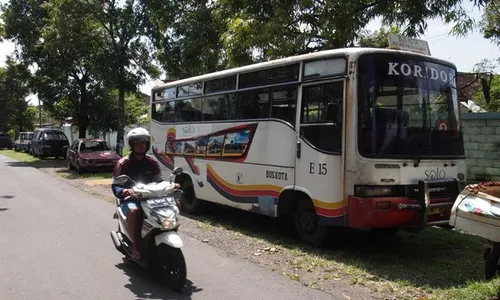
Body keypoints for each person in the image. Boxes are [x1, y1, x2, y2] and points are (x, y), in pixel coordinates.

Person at [111, 127, 168, 261]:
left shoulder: (152, 162)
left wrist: (171, 186)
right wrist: (124, 190)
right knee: (134, 211)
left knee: (174, 204)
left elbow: (159, 181)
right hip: (131, 199)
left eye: (144, 142)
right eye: (137, 142)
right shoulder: (123, 163)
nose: (141, 145)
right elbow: (115, 185)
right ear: (131, 144)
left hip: (151, 198)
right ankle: (136, 246)